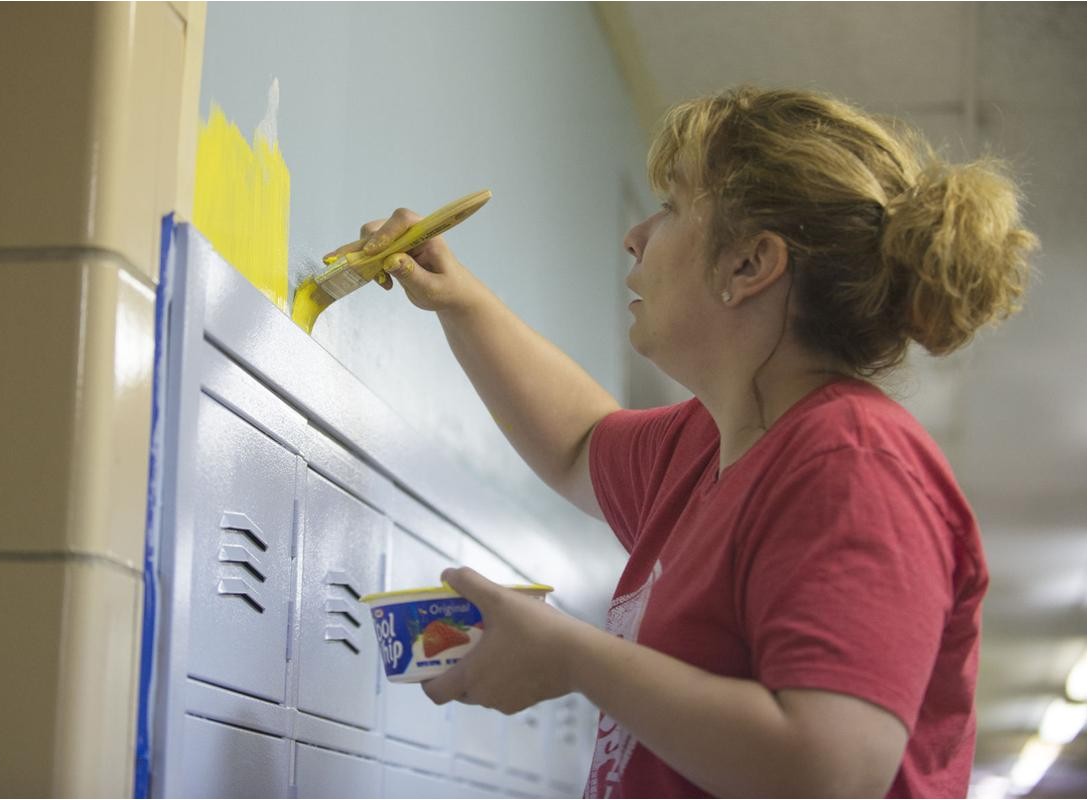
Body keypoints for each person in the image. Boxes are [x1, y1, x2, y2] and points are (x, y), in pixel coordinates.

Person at [324, 86, 1038, 798]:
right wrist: (459, 299)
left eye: (671, 206)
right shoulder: (709, 445)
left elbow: (830, 775)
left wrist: (573, 658)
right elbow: (578, 442)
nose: (636, 234)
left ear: (749, 266)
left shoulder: (855, 464)